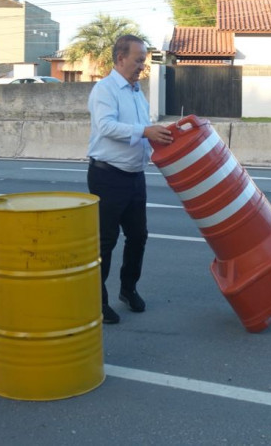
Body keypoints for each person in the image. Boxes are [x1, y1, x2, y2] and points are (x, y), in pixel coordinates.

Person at [87, 34, 173, 324]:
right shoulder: (105, 89)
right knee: (105, 241)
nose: (142, 66)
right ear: (120, 58)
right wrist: (145, 131)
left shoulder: (137, 92)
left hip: (135, 176)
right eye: (138, 60)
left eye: (143, 61)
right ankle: (98, 302)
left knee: (138, 236)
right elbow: (106, 126)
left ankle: (128, 288)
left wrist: (157, 135)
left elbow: (142, 128)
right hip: (108, 175)